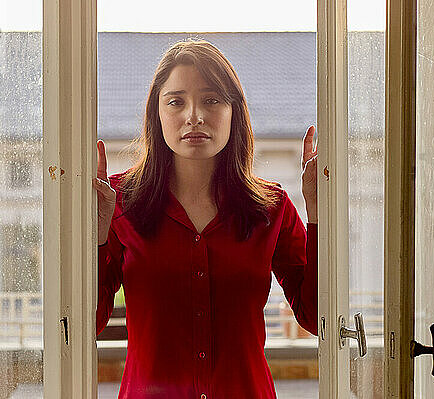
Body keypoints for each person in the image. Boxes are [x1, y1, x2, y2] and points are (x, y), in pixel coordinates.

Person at [92, 39, 318, 399]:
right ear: (157, 113)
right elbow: (88, 321)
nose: (194, 116)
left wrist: (318, 214)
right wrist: (97, 237)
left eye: (211, 100)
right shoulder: (118, 202)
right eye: (176, 101)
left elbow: (316, 316)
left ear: (234, 111)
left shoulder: (271, 207)